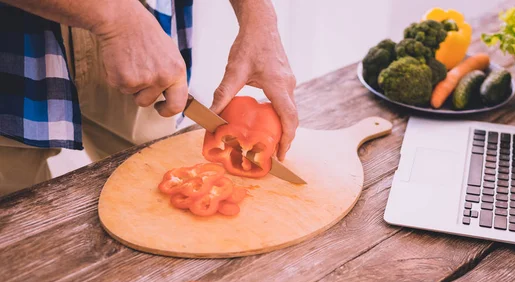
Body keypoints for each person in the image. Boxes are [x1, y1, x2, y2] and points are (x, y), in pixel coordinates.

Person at [0, 0, 298, 196]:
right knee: (14, 220)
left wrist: (259, 18)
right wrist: (117, 19)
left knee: (153, 192)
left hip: (143, 29)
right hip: (12, 41)